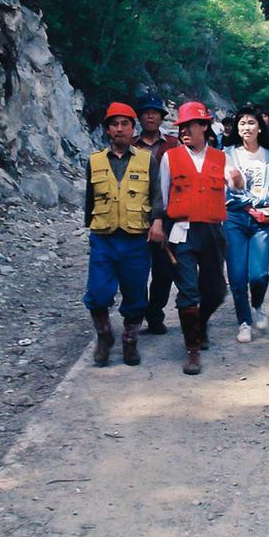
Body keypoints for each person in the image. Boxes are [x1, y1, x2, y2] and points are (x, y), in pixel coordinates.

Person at [83, 103, 162, 366]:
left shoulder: (146, 159)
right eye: (114, 124)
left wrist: (157, 222)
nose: (119, 129)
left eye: (125, 123)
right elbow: (89, 199)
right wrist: (90, 227)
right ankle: (104, 335)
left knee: (135, 293)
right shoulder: (94, 161)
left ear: (133, 128)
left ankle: (130, 341)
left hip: (136, 237)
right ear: (107, 129)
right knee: (97, 293)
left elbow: (156, 196)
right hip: (103, 237)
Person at [159, 101, 233, 375]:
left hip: (212, 231)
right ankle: (192, 349)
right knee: (188, 290)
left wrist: (236, 180)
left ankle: (200, 323)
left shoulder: (220, 158)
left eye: (190, 126)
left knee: (216, 290)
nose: (184, 131)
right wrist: (160, 227)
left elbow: (236, 182)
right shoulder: (171, 157)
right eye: (181, 127)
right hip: (182, 231)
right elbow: (162, 195)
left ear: (204, 126)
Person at [222, 107, 269, 343]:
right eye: (242, 123)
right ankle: (244, 322)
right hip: (234, 217)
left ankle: (257, 304)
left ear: (260, 126)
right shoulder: (226, 154)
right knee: (237, 276)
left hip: (263, 219)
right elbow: (224, 188)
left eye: (251, 123)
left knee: (259, 274)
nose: (246, 127)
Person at [133, 94, 181, 335]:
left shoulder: (173, 145)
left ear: (161, 117)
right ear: (139, 116)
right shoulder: (131, 146)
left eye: (155, 111)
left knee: (164, 270)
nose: (150, 115)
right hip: (136, 216)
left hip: (168, 216)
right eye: (145, 111)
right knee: (137, 268)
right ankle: (139, 312)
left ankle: (155, 312)